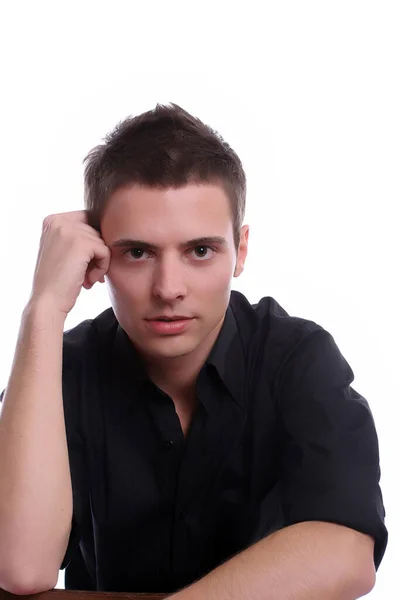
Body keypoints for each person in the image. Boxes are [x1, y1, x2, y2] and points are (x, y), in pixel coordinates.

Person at [0, 103, 387, 598]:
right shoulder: (63, 369)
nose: (168, 288)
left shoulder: (298, 357)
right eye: (137, 252)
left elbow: (345, 552)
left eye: (199, 251)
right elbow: (21, 570)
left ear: (240, 252)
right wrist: (43, 308)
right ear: (97, 256)